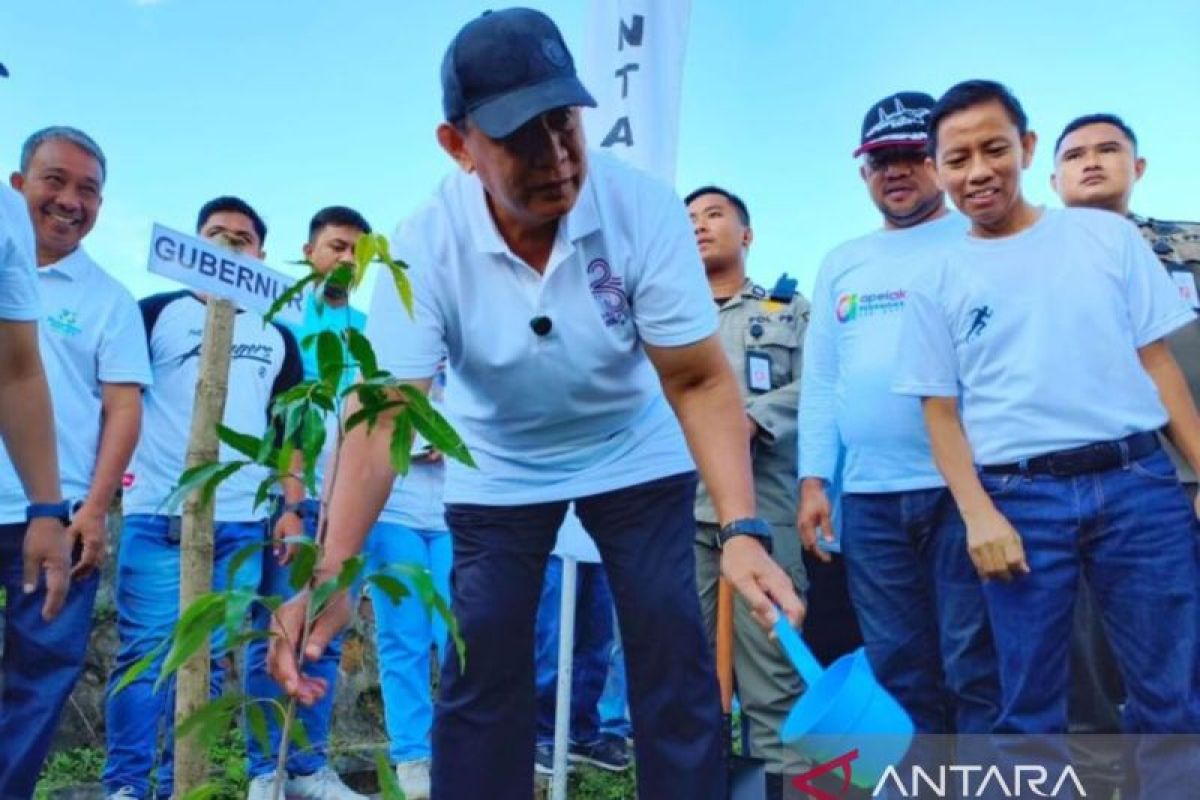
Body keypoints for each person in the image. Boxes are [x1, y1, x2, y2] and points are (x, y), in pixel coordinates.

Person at [268, 9, 803, 800]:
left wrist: (743, 528)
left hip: (633, 445)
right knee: (480, 657)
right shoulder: (426, 242)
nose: (556, 157)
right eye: (521, 136)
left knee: (669, 646)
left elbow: (696, 379)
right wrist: (335, 571)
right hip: (501, 461)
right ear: (458, 147)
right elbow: (383, 415)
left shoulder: (643, 208)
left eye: (564, 122)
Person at [893, 80, 1200, 792]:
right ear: (938, 169)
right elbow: (938, 411)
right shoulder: (936, 276)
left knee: (1172, 696)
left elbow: (1159, 367)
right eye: (958, 158)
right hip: (1018, 500)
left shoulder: (1105, 236)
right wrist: (977, 514)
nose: (978, 172)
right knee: (1030, 705)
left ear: (1027, 149)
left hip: (1138, 486)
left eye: (995, 149)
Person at [797, 92, 998, 735]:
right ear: (864, 174)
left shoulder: (978, 238)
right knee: (898, 668)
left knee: (974, 663)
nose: (896, 171)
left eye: (911, 155)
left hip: (966, 491)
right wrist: (812, 483)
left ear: (939, 161)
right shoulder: (842, 260)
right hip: (871, 500)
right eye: (881, 160)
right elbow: (824, 381)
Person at [103, 197, 304, 800]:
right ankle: (126, 785)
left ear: (260, 255)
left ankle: (179, 784)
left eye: (241, 238)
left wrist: (290, 507)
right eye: (215, 234)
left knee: (210, 664)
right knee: (145, 655)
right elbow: (115, 401)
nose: (227, 246)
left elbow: (288, 435)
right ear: (194, 243)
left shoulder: (278, 335)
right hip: (161, 514)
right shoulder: (154, 314)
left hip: (243, 522)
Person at [1051, 111, 1200, 797]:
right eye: (1075, 154)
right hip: (1089, 486)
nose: (1092, 162)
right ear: (1051, 178)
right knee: (1088, 662)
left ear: (1137, 168)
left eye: (1109, 150)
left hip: (1188, 475)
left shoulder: (1188, 246)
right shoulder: (1031, 257)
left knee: (1178, 664)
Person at [0, 126, 149, 798]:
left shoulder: (109, 299)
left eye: (88, 189)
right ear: (17, 185)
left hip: (52, 517)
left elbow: (122, 408)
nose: (69, 200)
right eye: (53, 180)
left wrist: (92, 508)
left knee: (41, 678)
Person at [242, 206, 371, 800]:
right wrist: (290, 502)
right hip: (295, 496)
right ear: (309, 251)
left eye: (358, 253)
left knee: (327, 628)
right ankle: (264, 767)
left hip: (349, 499)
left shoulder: (373, 327)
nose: (347, 260)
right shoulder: (287, 318)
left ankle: (308, 768)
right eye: (337, 247)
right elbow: (281, 418)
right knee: (275, 624)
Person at [685, 185, 809, 795]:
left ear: (747, 233)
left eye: (714, 215)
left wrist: (757, 417)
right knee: (691, 678)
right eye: (690, 220)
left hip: (765, 515)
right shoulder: (669, 317)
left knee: (774, 675)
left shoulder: (787, 310)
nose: (701, 227)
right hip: (683, 515)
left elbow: (822, 384)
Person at [362, 364, 453, 800]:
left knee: (459, 635)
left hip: (460, 514)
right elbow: (360, 431)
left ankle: (459, 746)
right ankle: (413, 756)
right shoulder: (382, 367)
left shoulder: (473, 361)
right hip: (394, 513)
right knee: (404, 637)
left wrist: (455, 444)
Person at [532, 508, 629, 776]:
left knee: (597, 645)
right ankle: (542, 736)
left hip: (601, 545)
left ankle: (582, 734)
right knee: (551, 643)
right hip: (556, 544)